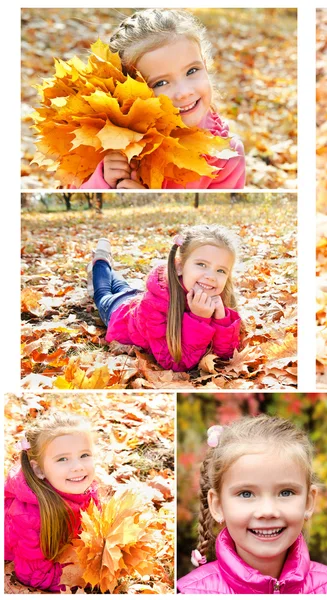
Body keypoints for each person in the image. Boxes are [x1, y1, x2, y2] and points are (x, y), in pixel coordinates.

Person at [177, 415, 327, 594]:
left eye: (286, 492)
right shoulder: (193, 592)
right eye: (246, 494)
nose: (267, 511)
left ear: (308, 501)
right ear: (218, 506)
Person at [78, 8, 245, 189]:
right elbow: (74, 187)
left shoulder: (226, 154)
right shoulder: (110, 140)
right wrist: (102, 180)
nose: (183, 92)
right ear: (129, 93)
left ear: (204, 63)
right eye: (160, 83)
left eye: (192, 71)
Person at [88, 224, 241, 372]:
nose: (211, 277)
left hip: (135, 297)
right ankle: (101, 261)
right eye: (201, 264)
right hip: (118, 313)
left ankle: (110, 269)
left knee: (122, 286)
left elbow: (226, 356)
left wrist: (222, 319)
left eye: (221, 270)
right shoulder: (155, 306)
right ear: (180, 266)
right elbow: (174, 362)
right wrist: (199, 318)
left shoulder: (214, 296)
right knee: (102, 292)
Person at [4, 412, 99, 592]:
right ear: (39, 470)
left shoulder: (87, 488)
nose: (78, 466)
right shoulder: (30, 518)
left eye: (84, 455)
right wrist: (79, 578)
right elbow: (34, 575)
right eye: (63, 459)